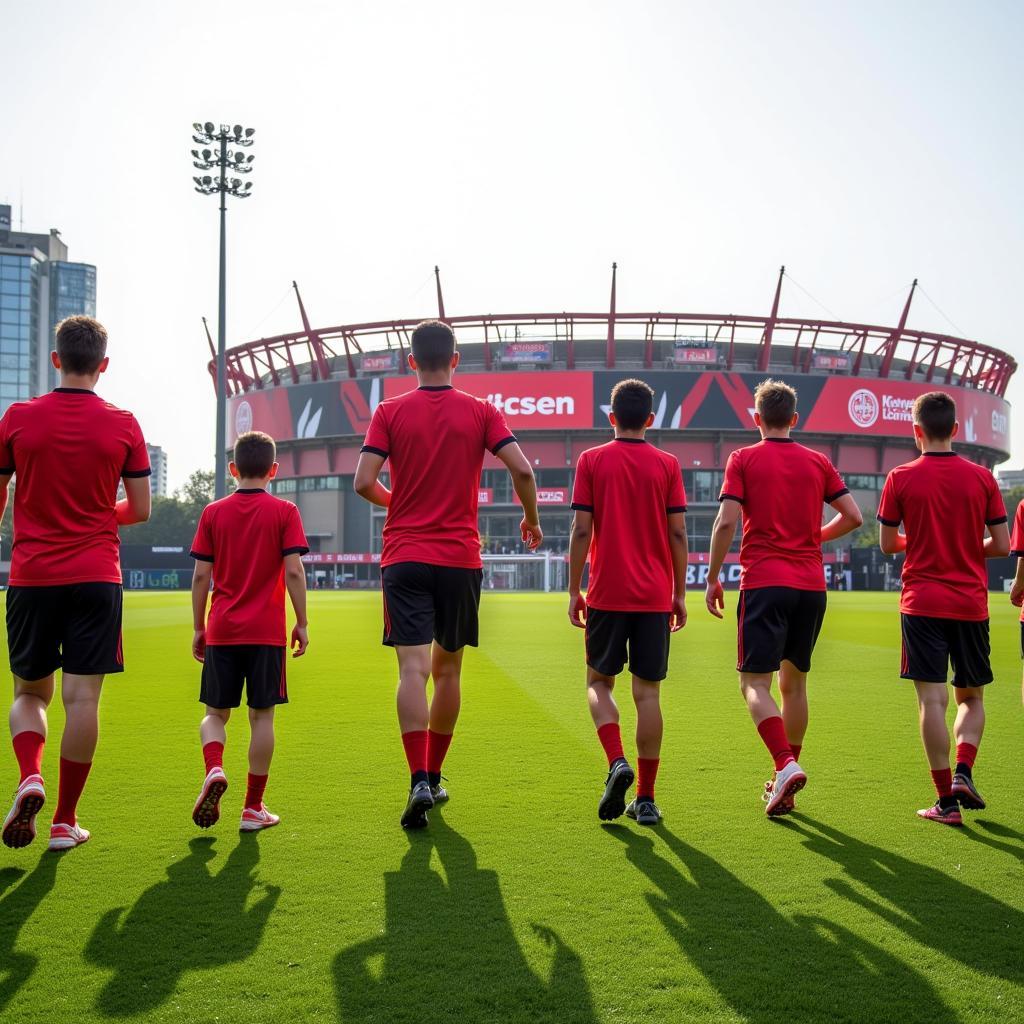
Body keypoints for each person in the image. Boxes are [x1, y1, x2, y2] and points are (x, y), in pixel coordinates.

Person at [354, 319, 542, 830]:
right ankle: (434, 777)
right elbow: (523, 471)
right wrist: (530, 518)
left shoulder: (389, 411)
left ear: (411, 361)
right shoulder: (481, 411)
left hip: (405, 555)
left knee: (411, 670)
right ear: (456, 359)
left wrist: (400, 501)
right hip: (460, 558)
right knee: (449, 671)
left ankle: (416, 777)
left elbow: (362, 481)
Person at [0, 316, 151, 852]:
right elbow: (140, 508)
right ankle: (65, 821)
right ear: (103, 365)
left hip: (32, 575)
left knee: (28, 693)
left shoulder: (17, 418)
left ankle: (30, 774)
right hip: (96, 576)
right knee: (82, 700)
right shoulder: (124, 424)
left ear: (55, 358)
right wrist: (95, 513)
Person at [705, 379, 862, 817]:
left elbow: (724, 523)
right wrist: (816, 535)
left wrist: (713, 577)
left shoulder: (743, 459)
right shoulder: (817, 462)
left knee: (753, 683)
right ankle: (784, 785)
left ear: (756, 419)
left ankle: (784, 763)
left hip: (765, 582)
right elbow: (853, 516)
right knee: (794, 685)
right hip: (811, 586)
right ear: (794, 420)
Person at [877, 391, 1008, 826]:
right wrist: (965, 546)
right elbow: (1004, 545)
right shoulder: (983, 479)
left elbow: (887, 543)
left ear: (916, 431)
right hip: (971, 603)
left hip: (922, 602)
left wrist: (924, 542)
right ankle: (964, 772)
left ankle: (945, 803)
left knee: (931, 701)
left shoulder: (900, 477)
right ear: (955, 430)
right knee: (970, 697)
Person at [567, 379, 688, 826]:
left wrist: (573, 589)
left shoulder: (592, 460)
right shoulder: (668, 465)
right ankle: (648, 798)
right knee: (648, 693)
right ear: (651, 420)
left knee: (599, 684)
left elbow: (582, 530)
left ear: (611, 416)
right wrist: (678, 592)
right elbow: (678, 533)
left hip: (607, 593)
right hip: (654, 596)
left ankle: (617, 760)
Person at [189, 431, 310, 833]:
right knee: (262, 718)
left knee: (214, 714)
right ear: (274, 470)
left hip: (222, 629)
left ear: (232, 469)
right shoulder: (285, 511)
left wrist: (198, 627)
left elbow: (201, 576)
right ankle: (252, 808)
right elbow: (293, 570)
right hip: (266, 633)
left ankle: (214, 767)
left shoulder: (213, 512)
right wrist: (302, 621)